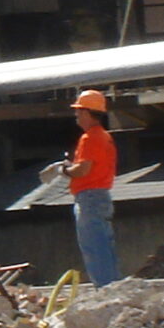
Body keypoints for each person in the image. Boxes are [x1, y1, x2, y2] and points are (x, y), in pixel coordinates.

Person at [49, 89, 121, 285]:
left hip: (89, 198)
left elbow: (83, 170)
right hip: (101, 196)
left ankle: (105, 290)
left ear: (88, 112)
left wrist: (64, 170)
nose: (76, 115)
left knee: (94, 248)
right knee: (105, 247)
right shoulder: (104, 136)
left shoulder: (90, 138)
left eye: (79, 111)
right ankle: (113, 288)